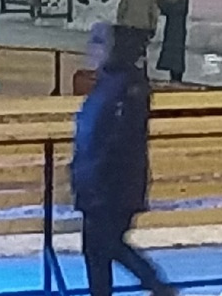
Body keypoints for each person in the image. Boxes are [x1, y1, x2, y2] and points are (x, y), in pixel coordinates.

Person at [70, 26, 174, 296]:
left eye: (98, 45)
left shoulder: (127, 87)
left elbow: (120, 139)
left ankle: (160, 288)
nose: (90, 51)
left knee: (106, 245)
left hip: (112, 185)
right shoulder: (108, 83)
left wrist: (97, 175)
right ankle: (157, 287)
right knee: (97, 250)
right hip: (97, 182)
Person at [156, 0, 194, 84]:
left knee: (175, 54)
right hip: (175, 30)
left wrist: (159, 1)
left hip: (175, 31)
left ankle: (176, 76)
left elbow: (170, 9)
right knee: (174, 54)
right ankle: (175, 75)